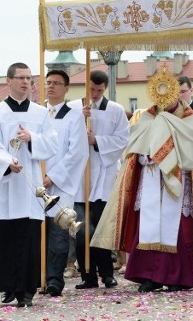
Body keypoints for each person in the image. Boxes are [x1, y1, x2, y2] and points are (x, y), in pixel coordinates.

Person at [92, 67, 193, 292]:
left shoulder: (190, 119)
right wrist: (145, 156)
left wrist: (171, 157)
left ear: (177, 95)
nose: (165, 101)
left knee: (175, 229)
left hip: (178, 181)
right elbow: (135, 148)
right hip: (151, 178)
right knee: (148, 227)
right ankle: (148, 276)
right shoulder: (147, 117)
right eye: (160, 97)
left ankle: (176, 277)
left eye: (169, 96)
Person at [0, 62, 59, 308]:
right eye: (21, 78)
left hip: (29, 185)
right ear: (9, 80)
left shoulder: (39, 113)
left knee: (28, 239)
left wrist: (32, 138)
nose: (26, 82)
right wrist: (7, 161)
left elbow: (52, 144)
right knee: (4, 237)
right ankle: (6, 288)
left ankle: (26, 290)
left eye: (29, 78)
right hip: (4, 184)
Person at [68, 70, 128, 290]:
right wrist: (78, 119)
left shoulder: (116, 110)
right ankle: (87, 275)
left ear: (105, 89)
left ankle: (107, 273)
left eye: (99, 91)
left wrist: (97, 140)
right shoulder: (74, 108)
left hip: (102, 176)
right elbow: (63, 136)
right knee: (82, 229)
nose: (94, 94)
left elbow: (123, 139)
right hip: (79, 177)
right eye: (91, 89)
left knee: (101, 229)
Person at [41, 70, 89, 298]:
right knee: (35, 233)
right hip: (35, 183)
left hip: (59, 185)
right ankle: (36, 276)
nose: (51, 87)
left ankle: (54, 280)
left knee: (58, 234)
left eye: (57, 83)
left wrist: (53, 176)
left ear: (66, 88)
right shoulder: (37, 114)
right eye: (48, 82)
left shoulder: (73, 116)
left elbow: (77, 152)